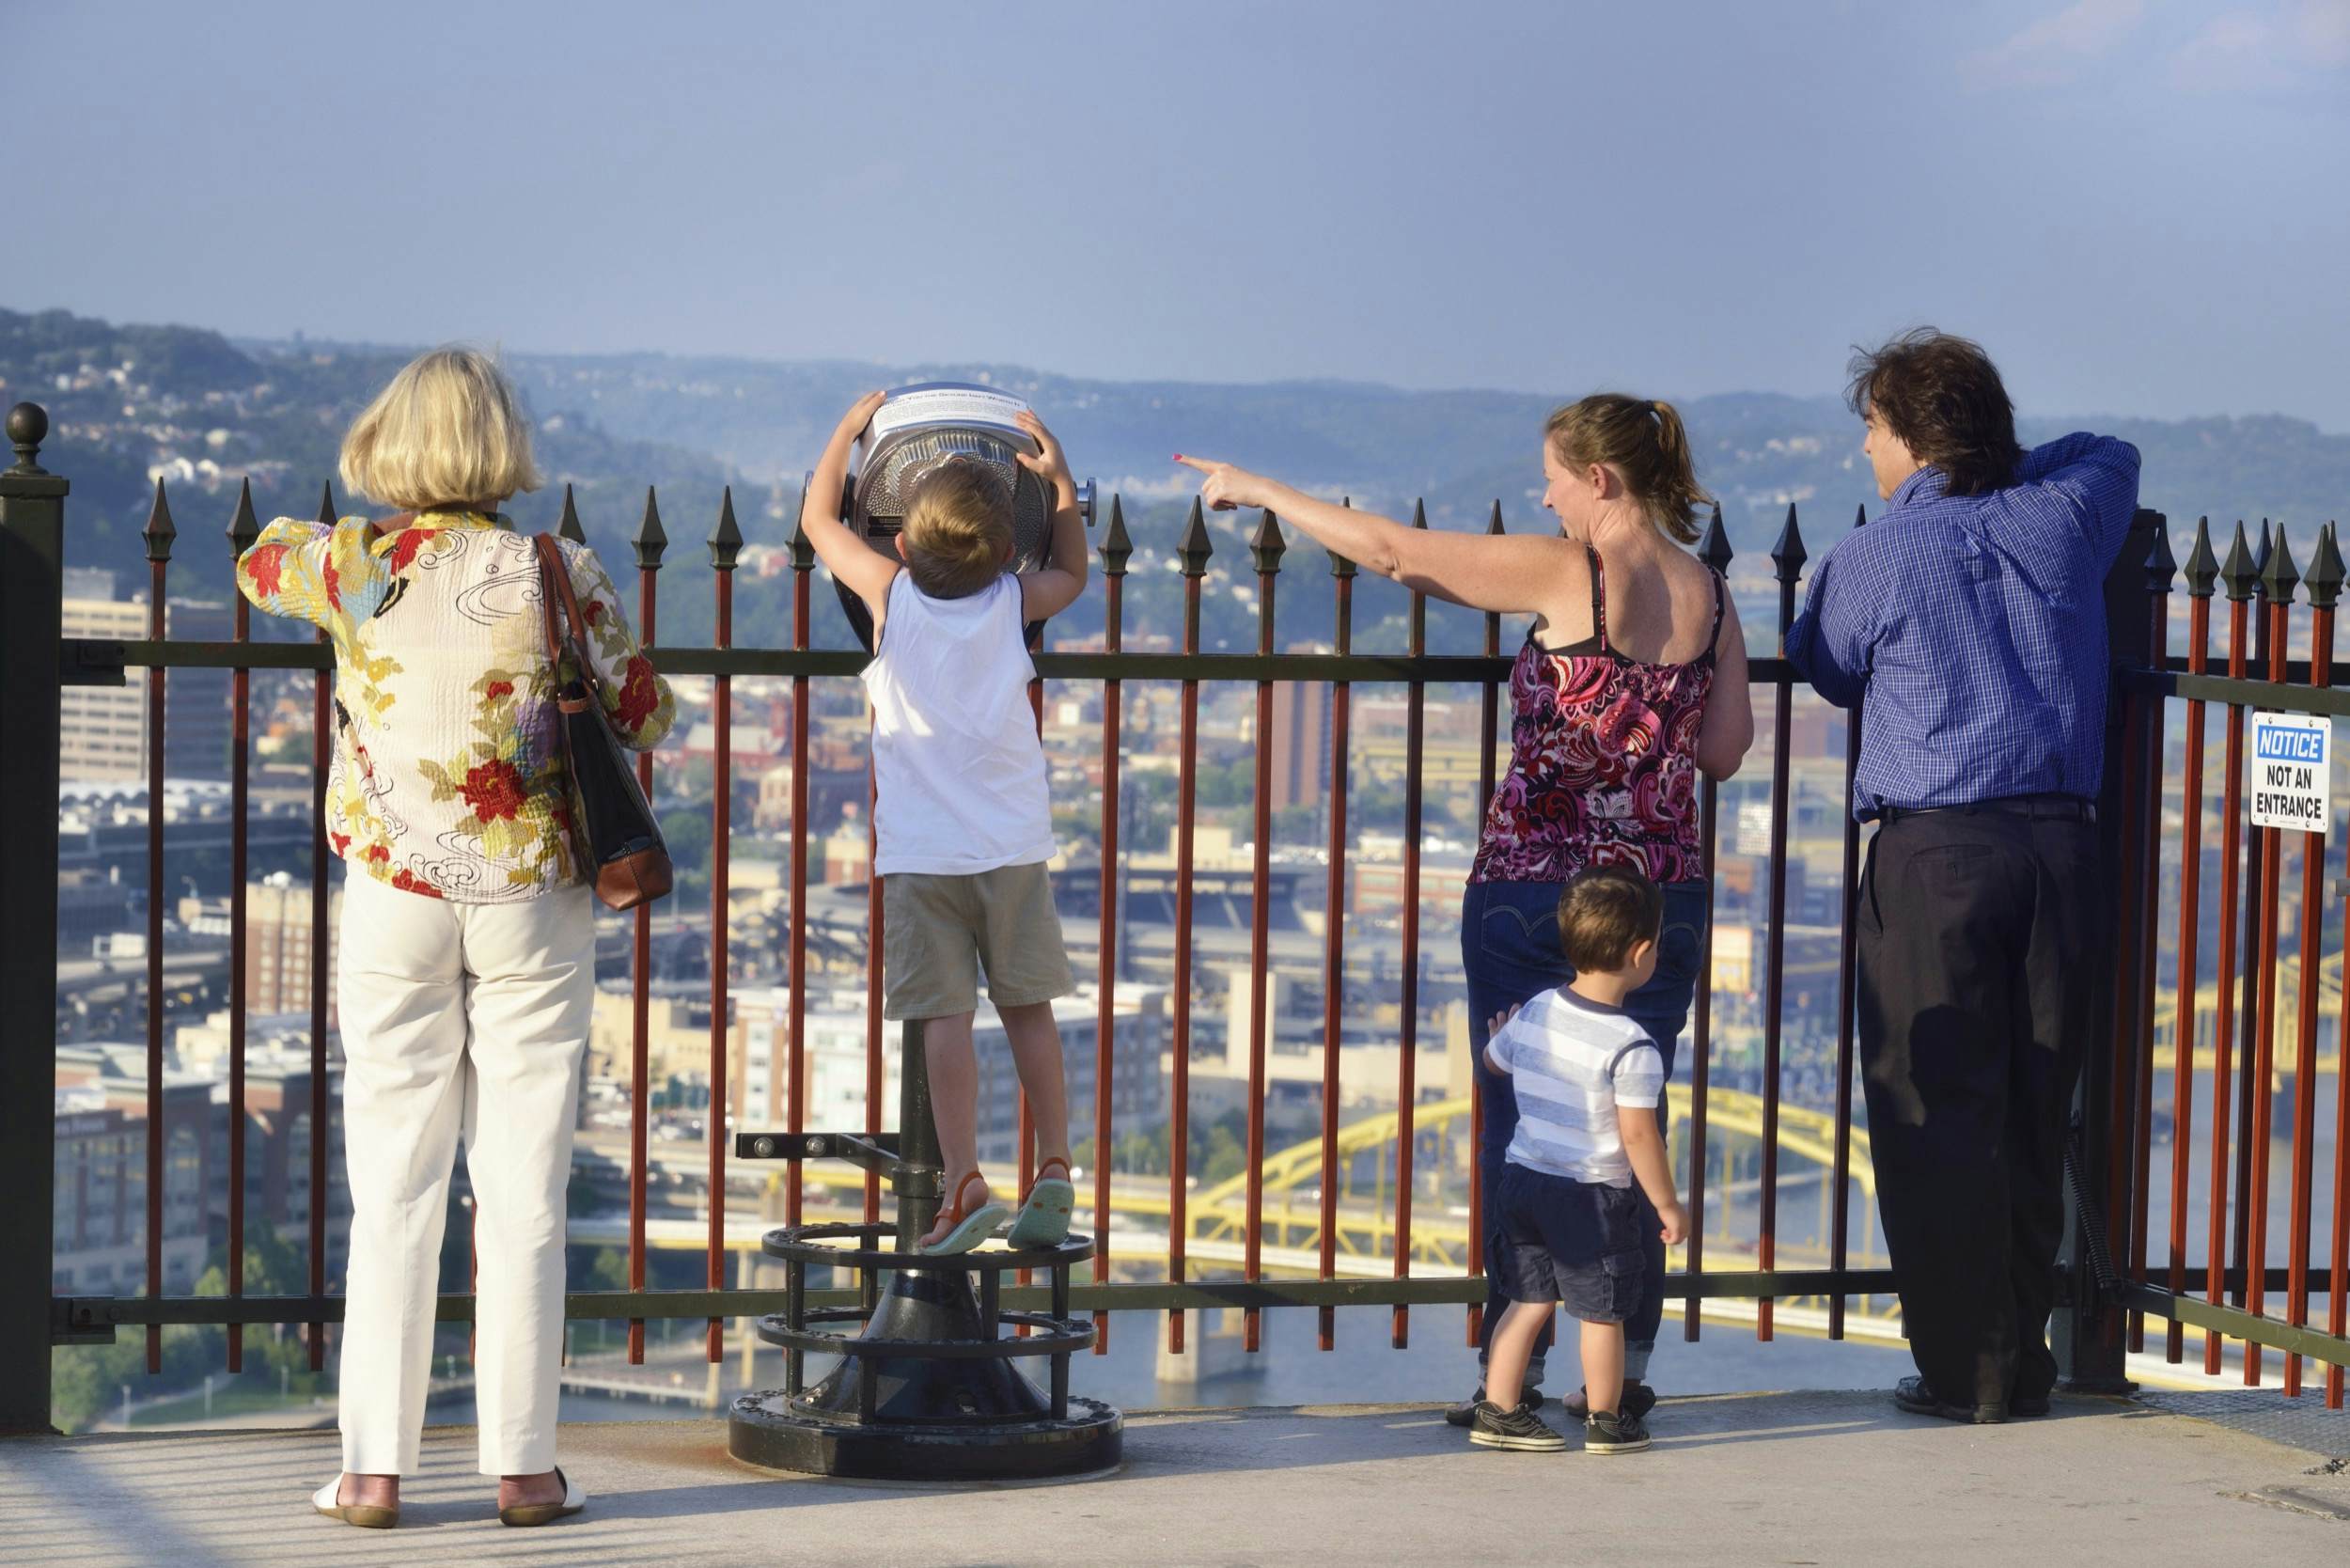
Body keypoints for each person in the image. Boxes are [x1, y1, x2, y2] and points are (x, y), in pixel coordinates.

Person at [1177, 394, 1752, 1419]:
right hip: (1661, 900)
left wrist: (1258, 489)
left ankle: (1512, 1369)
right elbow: (1722, 751)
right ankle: (1617, 1372)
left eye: (1555, 478)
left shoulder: (1570, 569)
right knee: (1629, 1127)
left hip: (1534, 891)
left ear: (1601, 481)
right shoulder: (1710, 589)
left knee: (1523, 1133)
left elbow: (1395, 555)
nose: (1544, 496)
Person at [239, 348, 674, 1528]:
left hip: (395, 894)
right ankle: (524, 1468)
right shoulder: (555, 567)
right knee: (524, 1181)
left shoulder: (353, 563)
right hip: (534, 891)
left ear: (393, 448)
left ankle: (373, 1470)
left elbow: (251, 559)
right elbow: (645, 711)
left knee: (394, 1181)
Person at [1785, 328, 2141, 1423]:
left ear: (1909, 438)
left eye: (1874, 431)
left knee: (1933, 1109)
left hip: (1935, 850)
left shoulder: (1873, 556)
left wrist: (1946, 488)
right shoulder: (2066, 514)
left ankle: (1966, 1372)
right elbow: (2108, 450)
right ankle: (2024, 1359)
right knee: (2040, 1107)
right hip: (2060, 848)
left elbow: (1823, 666)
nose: (1865, 454)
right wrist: (1997, 470)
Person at [799, 390, 1090, 1251]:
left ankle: (963, 1178)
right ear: (1008, 551)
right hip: (1011, 848)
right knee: (1029, 1009)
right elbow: (1072, 573)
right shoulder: (1012, 603)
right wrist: (1063, 486)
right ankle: (1058, 1163)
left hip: (922, 857)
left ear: (899, 542)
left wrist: (848, 432)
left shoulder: (892, 596)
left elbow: (818, 523)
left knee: (944, 1018)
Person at [1472, 865, 1689, 1454]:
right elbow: (1640, 1137)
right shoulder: (1632, 1046)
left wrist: (1506, 1034)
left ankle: (1498, 1409)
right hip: (1589, 1198)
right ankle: (1605, 1418)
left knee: (1528, 1300)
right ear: (1643, 954)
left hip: (1523, 1182)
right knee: (1601, 1313)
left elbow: (1493, 1062)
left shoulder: (1538, 1010)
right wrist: (1667, 1203)